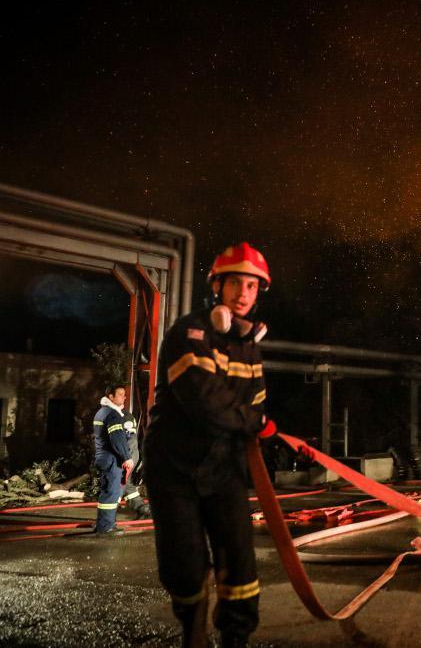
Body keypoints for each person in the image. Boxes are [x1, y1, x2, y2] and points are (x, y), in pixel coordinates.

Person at [144, 242, 274, 648]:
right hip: (176, 468)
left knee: (240, 562)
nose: (244, 294)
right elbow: (205, 401)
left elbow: (255, 400)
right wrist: (258, 423)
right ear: (217, 286)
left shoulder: (249, 345)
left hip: (225, 469)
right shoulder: (189, 332)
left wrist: (257, 423)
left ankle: (236, 639)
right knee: (185, 562)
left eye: (252, 287)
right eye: (236, 283)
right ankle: (193, 632)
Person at [90, 384, 135, 536]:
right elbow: (117, 439)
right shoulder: (113, 415)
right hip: (112, 459)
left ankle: (103, 524)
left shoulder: (100, 413)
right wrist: (127, 458)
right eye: (121, 394)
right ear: (111, 397)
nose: (124, 397)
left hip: (102, 456)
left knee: (106, 492)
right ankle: (107, 527)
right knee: (112, 493)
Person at [121, 404, 152, 519]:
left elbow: (125, 439)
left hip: (126, 456)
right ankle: (142, 508)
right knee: (126, 484)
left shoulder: (121, 416)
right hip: (128, 455)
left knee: (116, 486)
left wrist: (125, 458)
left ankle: (106, 519)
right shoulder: (122, 415)